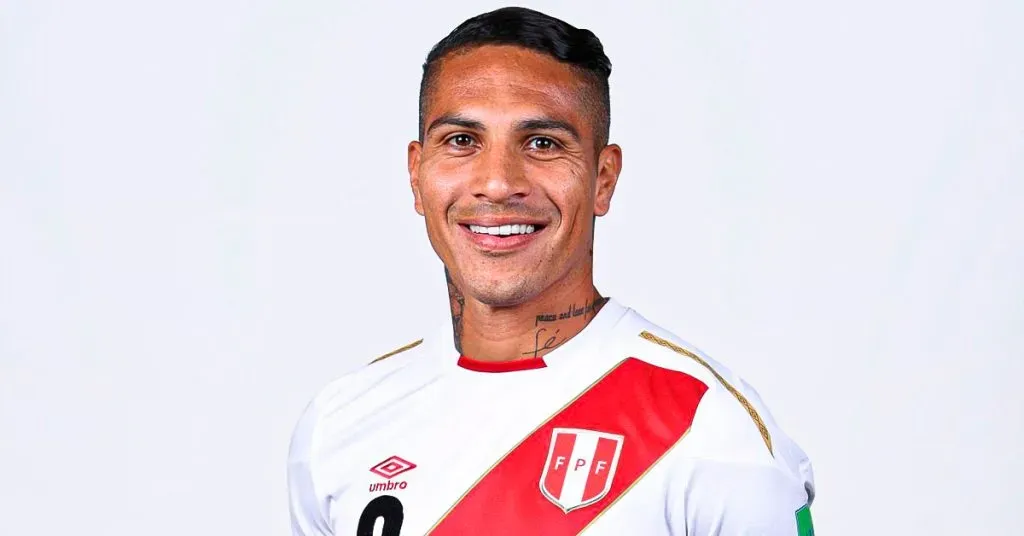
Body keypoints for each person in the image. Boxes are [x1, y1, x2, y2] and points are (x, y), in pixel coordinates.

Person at [288, 7, 815, 535]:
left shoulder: (710, 432)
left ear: (603, 179)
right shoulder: (341, 423)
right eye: (462, 141)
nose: (497, 183)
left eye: (542, 143)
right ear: (416, 174)